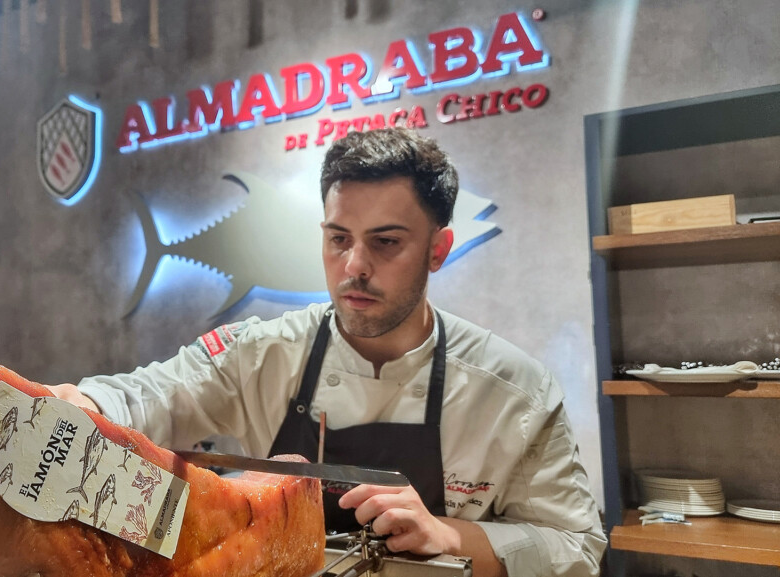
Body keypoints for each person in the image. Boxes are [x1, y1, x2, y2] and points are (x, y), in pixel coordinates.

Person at [48, 127, 606, 577]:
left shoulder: (516, 391)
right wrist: (82, 403)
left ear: (438, 249)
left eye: (385, 243)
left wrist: (447, 534)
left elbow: (578, 547)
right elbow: (154, 395)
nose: (354, 266)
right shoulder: (263, 351)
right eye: (338, 238)